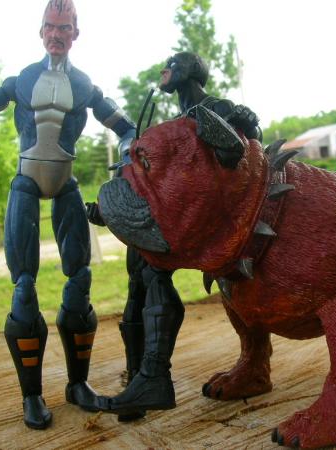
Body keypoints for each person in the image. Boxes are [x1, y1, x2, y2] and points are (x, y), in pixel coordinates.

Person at [0, 0, 135, 430]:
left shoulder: (85, 86)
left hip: (65, 182)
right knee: (24, 287)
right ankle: (31, 395)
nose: (56, 34)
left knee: (80, 281)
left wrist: (129, 153)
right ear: (41, 30)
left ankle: (78, 384)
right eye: (50, 26)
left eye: (64, 27)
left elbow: (125, 127)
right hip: (26, 183)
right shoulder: (22, 81)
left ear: (75, 34)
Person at [93, 51, 262, 420]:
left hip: (202, 222)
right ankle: (138, 381)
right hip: (168, 216)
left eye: (173, 62)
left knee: (153, 272)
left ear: (192, 70)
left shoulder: (216, 107)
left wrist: (248, 122)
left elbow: (248, 146)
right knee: (137, 283)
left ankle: (153, 376)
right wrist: (110, 209)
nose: (164, 68)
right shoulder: (171, 124)